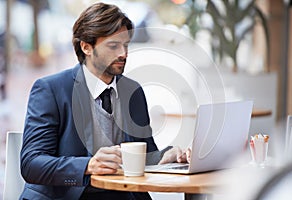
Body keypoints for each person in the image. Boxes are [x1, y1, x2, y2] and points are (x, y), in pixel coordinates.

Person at [20, 2, 189, 200]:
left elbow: (144, 155)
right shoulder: (51, 89)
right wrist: (87, 166)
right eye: (113, 46)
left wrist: (166, 157)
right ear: (86, 47)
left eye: (126, 45)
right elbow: (31, 164)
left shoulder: (133, 91)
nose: (123, 54)